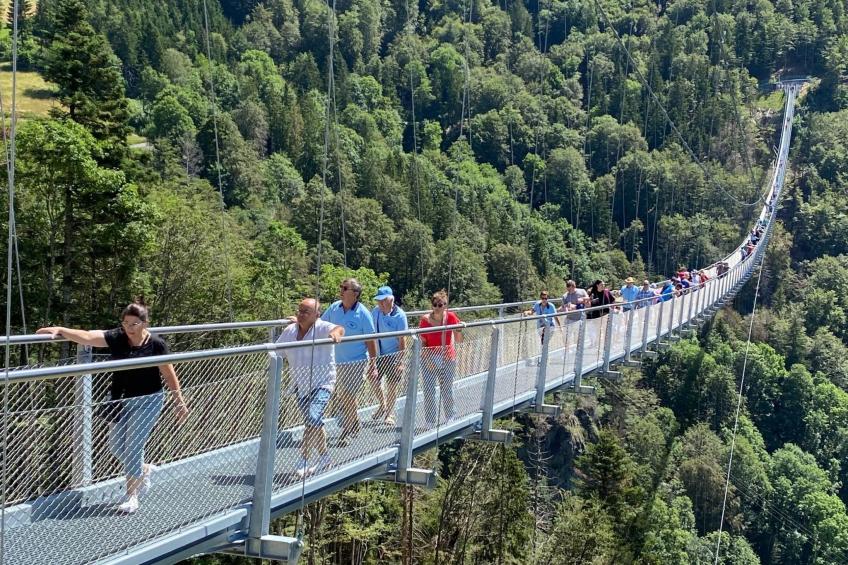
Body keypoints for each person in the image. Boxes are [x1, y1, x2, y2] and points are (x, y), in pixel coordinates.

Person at [37, 302, 189, 514]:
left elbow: (168, 373)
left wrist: (179, 401)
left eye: (135, 323)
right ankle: (143, 470)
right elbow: (89, 337)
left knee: (133, 448)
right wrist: (61, 330)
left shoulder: (155, 344)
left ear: (144, 323)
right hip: (120, 400)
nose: (129, 327)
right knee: (116, 447)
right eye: (126, 323)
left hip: (148, 401)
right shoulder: (118, 337)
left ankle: (132, 496)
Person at [277, 298, 344, 478]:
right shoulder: (290, 331)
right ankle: (324, 457)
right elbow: (276, 353)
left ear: (317, 315)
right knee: (314, 420)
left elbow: (337, 328)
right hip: (301, 385)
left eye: (306, 312)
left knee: (312, 417)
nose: (301, 314)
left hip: (322, 383)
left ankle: (303, 458)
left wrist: (336, 335)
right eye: (300, 310)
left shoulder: (321, 327)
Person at [320, 278, 378, 447]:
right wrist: (301, 321)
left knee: (347, 395)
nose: (341, 290)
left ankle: (347, 429)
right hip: (336, 362)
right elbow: (321, 324)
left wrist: (373, 364)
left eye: (345, 288)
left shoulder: (363, 313)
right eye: (341, 287)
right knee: (345, 397)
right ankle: (355, 421)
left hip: (356, 361)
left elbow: (371, 339)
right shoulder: (334, 307)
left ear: (355, 294)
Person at [419, 290, 463, 427]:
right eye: (435, 304)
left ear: (446, 305)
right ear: (432, 305)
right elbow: (423, 344)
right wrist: (428, 361)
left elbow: (459, 340)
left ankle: (450, 416)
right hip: (429, 356)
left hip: (447, 356)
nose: (438, 307)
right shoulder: (425, 321)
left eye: (441, 305)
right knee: (429, 390)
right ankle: (430, 421)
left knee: (446, 388)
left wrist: (459, 329)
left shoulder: (450, 317)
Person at [371, 286, 408, 427]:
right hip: (379, 353)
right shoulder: (375, 312)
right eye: (378, 301)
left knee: (392, 385)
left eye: (383, 301)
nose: (380, 304)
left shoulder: (400, 315)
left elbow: (402, 339)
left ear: (391, 300)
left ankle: (389, 414)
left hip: (393, 355)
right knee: (372, 377)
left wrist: (400, 361)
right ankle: (383, 404)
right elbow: (371, 332)